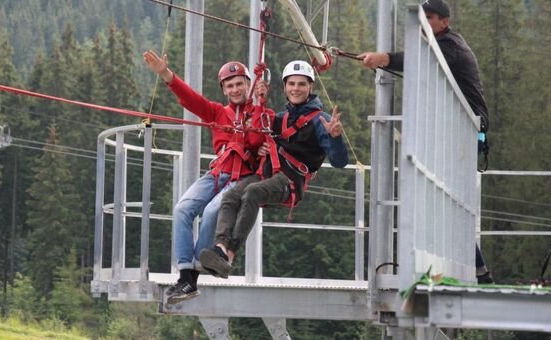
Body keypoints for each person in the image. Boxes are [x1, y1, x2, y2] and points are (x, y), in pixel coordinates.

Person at [358, 0, 493, 284]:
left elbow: (418, 61)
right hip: (454, 134)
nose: (425, 23)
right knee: (443, 209)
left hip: (463, 134)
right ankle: (474, 271)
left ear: (444, 21)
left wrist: (383, 58)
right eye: (422, 18)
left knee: (447, 209)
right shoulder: (441, 45)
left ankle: (475, 272)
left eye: (430, 18)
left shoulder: (449, 47)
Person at [143, 50, 274, 303]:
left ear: (248, 84)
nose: (235, 89)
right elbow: (190, 99)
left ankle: (193, 275)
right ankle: (186, 272)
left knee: (214, 211)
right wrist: (166, 75)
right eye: (230, 86)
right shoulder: (216, 113)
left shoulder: (260, 112)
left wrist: (259, 106)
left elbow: (263, 135)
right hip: (217, 173)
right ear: (224, 90)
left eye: (239, 84)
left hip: (241, 177)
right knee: (182, 209)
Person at [199, 60, 349, 277]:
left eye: (301, 84)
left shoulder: (320, 121)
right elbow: (258, 134)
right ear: (285, 87)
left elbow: (338, 161)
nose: (296, 89)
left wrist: (335, 138)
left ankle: (230, 255)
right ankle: (220, 248)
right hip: (266, 175)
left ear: (310, 88)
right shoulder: (280, 119)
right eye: (291, 84)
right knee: (231, 196)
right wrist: (261, 141)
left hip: (290, 182)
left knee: (252, 192)